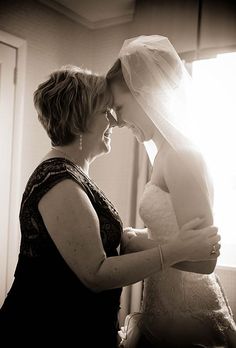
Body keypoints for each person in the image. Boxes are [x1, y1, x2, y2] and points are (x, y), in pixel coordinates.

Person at [0, 65, 220, 347]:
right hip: (44, 332)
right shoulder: (58, 180)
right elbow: (96, 273)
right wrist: (178, 250)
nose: (114, 122)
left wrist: (129, 236)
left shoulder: (71, 174)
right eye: (105, 111)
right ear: (79, 120)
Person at [106, 35, 236, 347]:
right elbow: (173, 232)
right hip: (160, 307)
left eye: (119, 107)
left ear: (146, 93)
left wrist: (138, 244)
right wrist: (138, 235)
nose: (118, 121)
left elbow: (205, 260)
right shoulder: (164, 153)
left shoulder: (182, 154)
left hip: (187, 314)